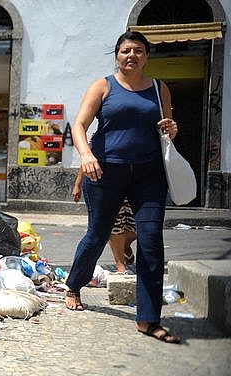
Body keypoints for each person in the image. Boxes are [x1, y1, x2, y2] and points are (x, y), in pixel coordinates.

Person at [66, 30, 180, 343]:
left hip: (149, 173)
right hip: (106, 171)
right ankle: (74, 285)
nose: (132, 55)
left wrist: (172, 127)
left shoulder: (159, 89)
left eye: (139, 51)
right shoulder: (103, 86)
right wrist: (87, 156)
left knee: (151, 240)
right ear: (117, 55)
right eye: (126, 50)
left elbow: (167, 131)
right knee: (98, 234)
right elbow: (79, 125)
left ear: (147, 56)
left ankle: (148, 319)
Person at [73, 168, 136, 274]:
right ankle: (120, 265)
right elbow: (87, 157)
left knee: (137, 225)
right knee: (115, 224)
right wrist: (78, 183)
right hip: (108, 180)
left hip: (136, 178)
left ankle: (125, 244)